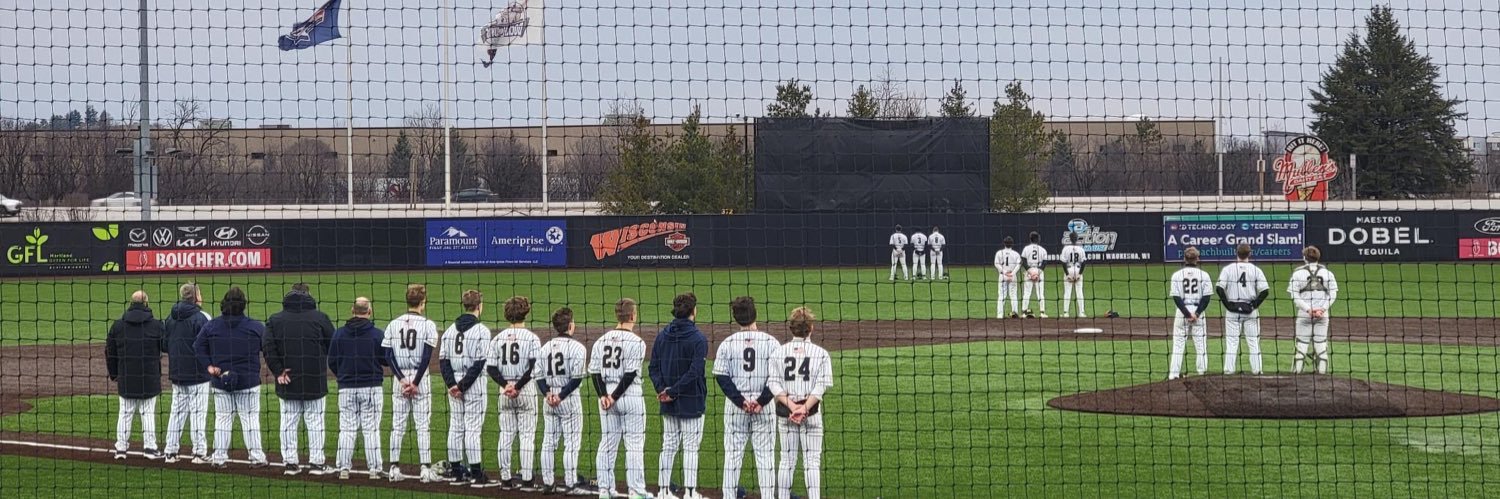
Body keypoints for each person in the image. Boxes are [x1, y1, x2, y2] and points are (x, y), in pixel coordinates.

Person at [264, 283, 335, 476]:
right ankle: (317, 464)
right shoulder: (320, 318)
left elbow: (268, 348)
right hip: (315, 379)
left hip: (287, 379)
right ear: (308, 295)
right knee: (315, 423)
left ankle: (290, 464)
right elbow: (333, 345)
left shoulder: (275, 319)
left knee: (288, 422)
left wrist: (279, 371)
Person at [193, 286, 269, 468]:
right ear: (243, 305)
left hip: (221, 381)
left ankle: (219, 458)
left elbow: (197, 346)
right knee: (249, 419)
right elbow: (268, 349)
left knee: (223, 419)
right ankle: (257, 457)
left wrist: (209, 366)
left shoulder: (211, 325)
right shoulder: (256, 326)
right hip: (248, 382)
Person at [712, 296, 778, 499]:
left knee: (732, 456)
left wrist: (741, 401)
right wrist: (760, 401)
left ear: (735, 317)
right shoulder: (771, 342)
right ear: (755, 314)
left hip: (735, 409)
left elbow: (721, 377)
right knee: (765, 456)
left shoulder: (727, 344)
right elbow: (776, 378)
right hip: (764, 409)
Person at [649, 292, 709, 499]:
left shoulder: (662, 335)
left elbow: (653, 367)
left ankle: (664, 491)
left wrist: (663, 390)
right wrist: (673, 391)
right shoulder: (698, 338)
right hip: (691, 401)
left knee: (669, 446)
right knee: (691, 448)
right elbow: (695, 372)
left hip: (668, 401)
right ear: (693, 311)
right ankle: (691, 494)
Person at [770, 307, 834, 499]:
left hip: (785, 414)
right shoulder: (821, 353)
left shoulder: (779, 353)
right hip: (811, 413)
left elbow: (773, 383)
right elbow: (822, 385)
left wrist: (792, 406)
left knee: (786, 461)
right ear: (811, 328)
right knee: (812, 462)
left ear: (791, 329)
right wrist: (804, 408)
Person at [590, 298, 650, 499]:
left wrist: (604, 396)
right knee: (634, 444)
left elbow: (594, 372)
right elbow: (630, 373)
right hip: (629, 395)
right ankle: (636, 491)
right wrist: (614, 397)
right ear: (633, 316)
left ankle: (605, 491)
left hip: (606, 396)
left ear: (617, 315)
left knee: (607, 442)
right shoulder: (637, 342)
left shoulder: (601, 340)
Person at [383, 284, 441, 483]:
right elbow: (426, 356)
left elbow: (388, 355)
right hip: (420, 378)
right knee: (422, 425)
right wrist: (415, 382)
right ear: (423, 302)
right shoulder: (428, 325)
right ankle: (425, 469)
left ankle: (393, 469)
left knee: (397, 425)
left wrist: (401, 379)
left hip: (399, 380)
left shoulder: (393, 324)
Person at [328, 297, 388, 480]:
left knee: (347, 428)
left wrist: (344, 376)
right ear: (369, 312)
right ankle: (375, 470)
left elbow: (332, 361)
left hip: (346, 388)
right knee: (371, 429)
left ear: (351, 310)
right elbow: (386, 360)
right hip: (371, 388)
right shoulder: (378, 334)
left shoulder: (339, 334)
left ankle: (343, 469)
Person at [487, 295, 542, 491]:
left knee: (506, 435)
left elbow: (491, 368)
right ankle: (527, 480)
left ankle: (505, 479)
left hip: (504, 392)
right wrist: (517, 386)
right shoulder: (532, 338)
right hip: (525, 391)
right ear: (526, 312)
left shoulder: (498, 338)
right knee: (527, 436)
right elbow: (534, 368)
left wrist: (506, 385)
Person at [536, 308, 593, 495]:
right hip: (568, 400)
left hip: (549, 400)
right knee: (571, 443)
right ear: (570, 326)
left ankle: (548, 483)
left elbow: (539, 377)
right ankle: (570, 483)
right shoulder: (578, 348)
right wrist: (560, 396)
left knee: (548, 442)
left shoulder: (545, 348)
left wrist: (548, 394)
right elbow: (576, 378)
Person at [441, 289, 494, 487]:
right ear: (480, 306)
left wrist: (452, 385)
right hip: (474, 385)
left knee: (456, 427)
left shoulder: (449, 331)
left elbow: (443, 360)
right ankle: (477, 474)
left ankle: (455, 472)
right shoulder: (482, 331)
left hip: (453, 382)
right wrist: (462, 386)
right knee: (472, 429)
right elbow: (480, 363)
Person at [106, 290, 166, 460]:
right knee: (148, 413)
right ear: (146, 303)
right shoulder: (155, 325)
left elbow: (110, 353)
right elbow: (166, 346)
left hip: (126, 376)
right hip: (149, 377)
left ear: (131, 303)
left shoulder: (118, 325)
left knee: (125, 412)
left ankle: (121, 449)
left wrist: (114, 374)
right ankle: (149, 448)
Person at [162, 282, 212, 464]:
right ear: (195, 297)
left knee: (176, 412)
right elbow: (210, 344)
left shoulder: (170, 317)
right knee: (198, 413)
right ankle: (199, 453)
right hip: (198, 374)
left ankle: (170, 452)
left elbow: (164, 345)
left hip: (177, 372)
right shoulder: (202, 317)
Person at [1216, 244, 1270, 375]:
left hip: (1233, 311)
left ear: (1236, 253)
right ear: (1249, 254)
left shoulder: (1228, 269)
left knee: (1232, 342)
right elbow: (1265, 291)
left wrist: (1228, 305)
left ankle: (1229, 371)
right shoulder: (1256, 270)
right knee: (1253, 342)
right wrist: (1253, 305)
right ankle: (1257, 370)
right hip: (1250, 311)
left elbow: (1219, 288)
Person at [1289, 246, 1339, 374]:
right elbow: (1333, 295)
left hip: (1304, 315)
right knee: (1321, 345)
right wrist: (1322, 309)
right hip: (1322, 315)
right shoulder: (1328, 273)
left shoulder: (1297, 273)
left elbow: (1295, 296)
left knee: (1301, 345)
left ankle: (1296, 374)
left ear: (1304, 258)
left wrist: (1308, 310)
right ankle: (1322, 376)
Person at [1167, 247, 1214, 380]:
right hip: (1198, 312)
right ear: (1197, 259)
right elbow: (1206, 298)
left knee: (1178, 345)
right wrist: (1197, 314)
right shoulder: (1204, 275)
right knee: (1201, 345)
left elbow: (1177, 298)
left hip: (1182, 312)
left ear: (1184, 258)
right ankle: (1202, 373)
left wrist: (1187, 314)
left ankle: (1173, 375)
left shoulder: (1177, 275)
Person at [1020, 231, 1050, 318]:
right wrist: (1037, 273)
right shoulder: (1042, 249)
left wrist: (1030, 271)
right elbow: (1044, 263)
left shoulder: (1026, 248)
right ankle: (1042, 313)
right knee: (1040, 293)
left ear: (1030, 239)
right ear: (1037, 239)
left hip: (1029, 271)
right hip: (1039, 271)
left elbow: (1023, 261)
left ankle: (1024, 312)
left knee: (1026, 293)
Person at [1059, 233, 1088, 318]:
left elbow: (1063, 262)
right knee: (1079, 292)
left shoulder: (1066, 248)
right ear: (1077, 238)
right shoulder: (1081, 249)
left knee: (1067, 292)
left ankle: (1066, 313)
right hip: (1078, 269)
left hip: (1069, 268)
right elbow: (1083, 262)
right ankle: (1081, 312)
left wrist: (1067, 274)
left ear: (1070, 238)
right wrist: (1080, 274)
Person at [993, 237, 1022, 319]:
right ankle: (1015, 313)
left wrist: (1005, 272)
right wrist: (1012, 273)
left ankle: (999, 315)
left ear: (1004, 243)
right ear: (1012, 244)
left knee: (1001, 295)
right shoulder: (1016, 254)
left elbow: (996, 264)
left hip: (1002, 276)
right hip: (1012, 276)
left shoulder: (999, 253)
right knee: (1013, 295)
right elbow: (1019, 264)